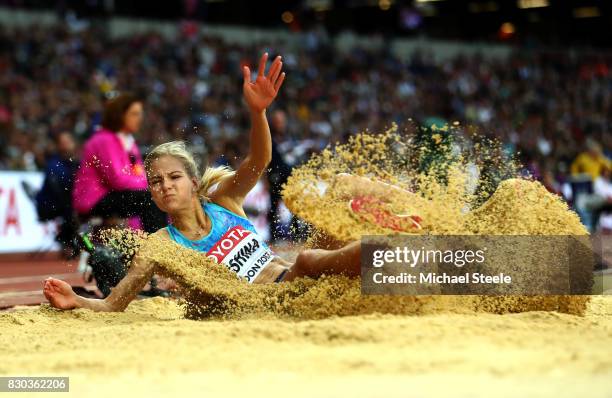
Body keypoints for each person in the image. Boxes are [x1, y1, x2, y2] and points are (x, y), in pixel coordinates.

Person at [43, 53, 365, 312]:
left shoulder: (224, 200)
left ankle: (409, 269)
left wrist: (258, 113)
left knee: (344, 189)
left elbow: (260, 160)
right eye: (155, 182)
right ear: (152, 195)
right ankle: (408, 262)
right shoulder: (161, 245)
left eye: (174, 177)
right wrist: (78, 300)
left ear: (194, 182)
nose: (165, 185)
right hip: (274, 301)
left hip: (298, 278)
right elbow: (113, 304)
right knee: (309, 259)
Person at [72, 92, 167, 233]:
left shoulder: (128, 141)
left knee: (156, 195)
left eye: (140, 114)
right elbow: (117, 179)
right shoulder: (104, 140)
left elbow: (137, 174)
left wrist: (151, 184)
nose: (140, 119)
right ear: (120, 115)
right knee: (151, 199)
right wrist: (149, 184)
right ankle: (158, 249)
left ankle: (158, 244)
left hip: (113, 196)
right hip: (93, 200)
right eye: (134, 114)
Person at [35, 131, 80, 256]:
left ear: (74, 144)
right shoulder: (54, 164)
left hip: (66, 201)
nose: (66, 145)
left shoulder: (76, 163)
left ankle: (71, 241)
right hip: (49, 204)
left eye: (68, 142)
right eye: (63, 143)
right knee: (70, 209)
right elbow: (59, 189)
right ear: (58, 146)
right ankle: (67, 242)